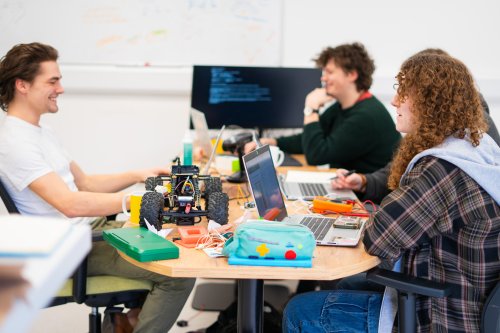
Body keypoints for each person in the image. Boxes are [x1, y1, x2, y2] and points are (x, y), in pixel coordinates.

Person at [283, 53, 500, 332]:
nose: (395, 101)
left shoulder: (443, 168)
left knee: (301, 311)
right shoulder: (474, 147)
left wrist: (366, 217)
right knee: (348, 283)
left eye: (404, 93)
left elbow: (379, 239)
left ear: (430, 103)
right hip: (465, 297)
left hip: (445, 315)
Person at [0, 43, 195, 333]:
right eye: (53, 81)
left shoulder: (39, 131)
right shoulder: (15, 143)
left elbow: (86, 184)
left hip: (90, 229)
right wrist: (134, 201)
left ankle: (127, 322)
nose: (61, 88)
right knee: (180, 273)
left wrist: (140, 173)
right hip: (72, 249)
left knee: (177, 237)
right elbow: (70, 204)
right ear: (22, 85)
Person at [332, 49, 500, 204]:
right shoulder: (437, 130)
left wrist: (311, 109)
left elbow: (386, 231)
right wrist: (364, 182)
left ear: (433, 95)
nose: (394, 101)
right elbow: (397, 169)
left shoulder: (452, 152)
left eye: (406, 90)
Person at [245, 43, 401, 173]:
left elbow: (316, 155)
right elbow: (308, 140)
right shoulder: (343, 106)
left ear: (352, 74)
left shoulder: (366, 116)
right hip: (349, 192)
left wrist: (311, 109)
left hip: (367, 203)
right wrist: (271, 141)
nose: (323, 78)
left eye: (330, 72)